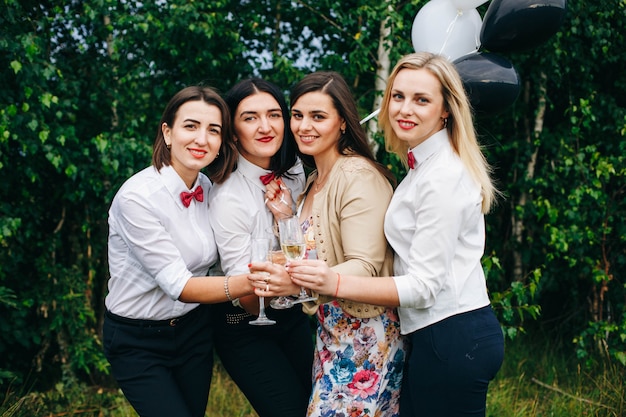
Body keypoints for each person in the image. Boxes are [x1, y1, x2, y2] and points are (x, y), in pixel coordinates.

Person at [253, 52, 505, 417]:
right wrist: (290, 217)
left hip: (453, 334)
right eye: (398, 96)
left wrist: (330, 282)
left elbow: (423, 286)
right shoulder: (421, 167)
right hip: (432, 334)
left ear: (446, 109)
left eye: (422, 100)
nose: (405, 109)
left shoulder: (443, 176)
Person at [103, 85, 257, 417]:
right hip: (137, 340)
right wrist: (255, 282)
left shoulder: (208, 189)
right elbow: (181, 286)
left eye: (213, 130)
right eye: (191, 126)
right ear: (167, 132)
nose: (202, 139)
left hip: (193, 332)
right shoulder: (137, 198)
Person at [263, 71, 407, 417]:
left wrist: (295, 283)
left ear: (342, 122)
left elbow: (364, 266)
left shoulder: (357, 176)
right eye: (297, 115)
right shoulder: (314, 180)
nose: (303, 126)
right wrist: (285, 216)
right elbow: (314, 249)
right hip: (330, 337)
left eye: (318, 117)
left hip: (365, 338)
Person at [206, 78, 313, 417]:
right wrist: (308, 288)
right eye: (250, 118)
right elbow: (249, 295)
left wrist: (287, 217)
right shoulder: (228, 198)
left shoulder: (297, 172)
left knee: (319, 405)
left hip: (293, 316)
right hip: (244, 321)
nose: (265, 127)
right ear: (233, 132)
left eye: (274, 115)